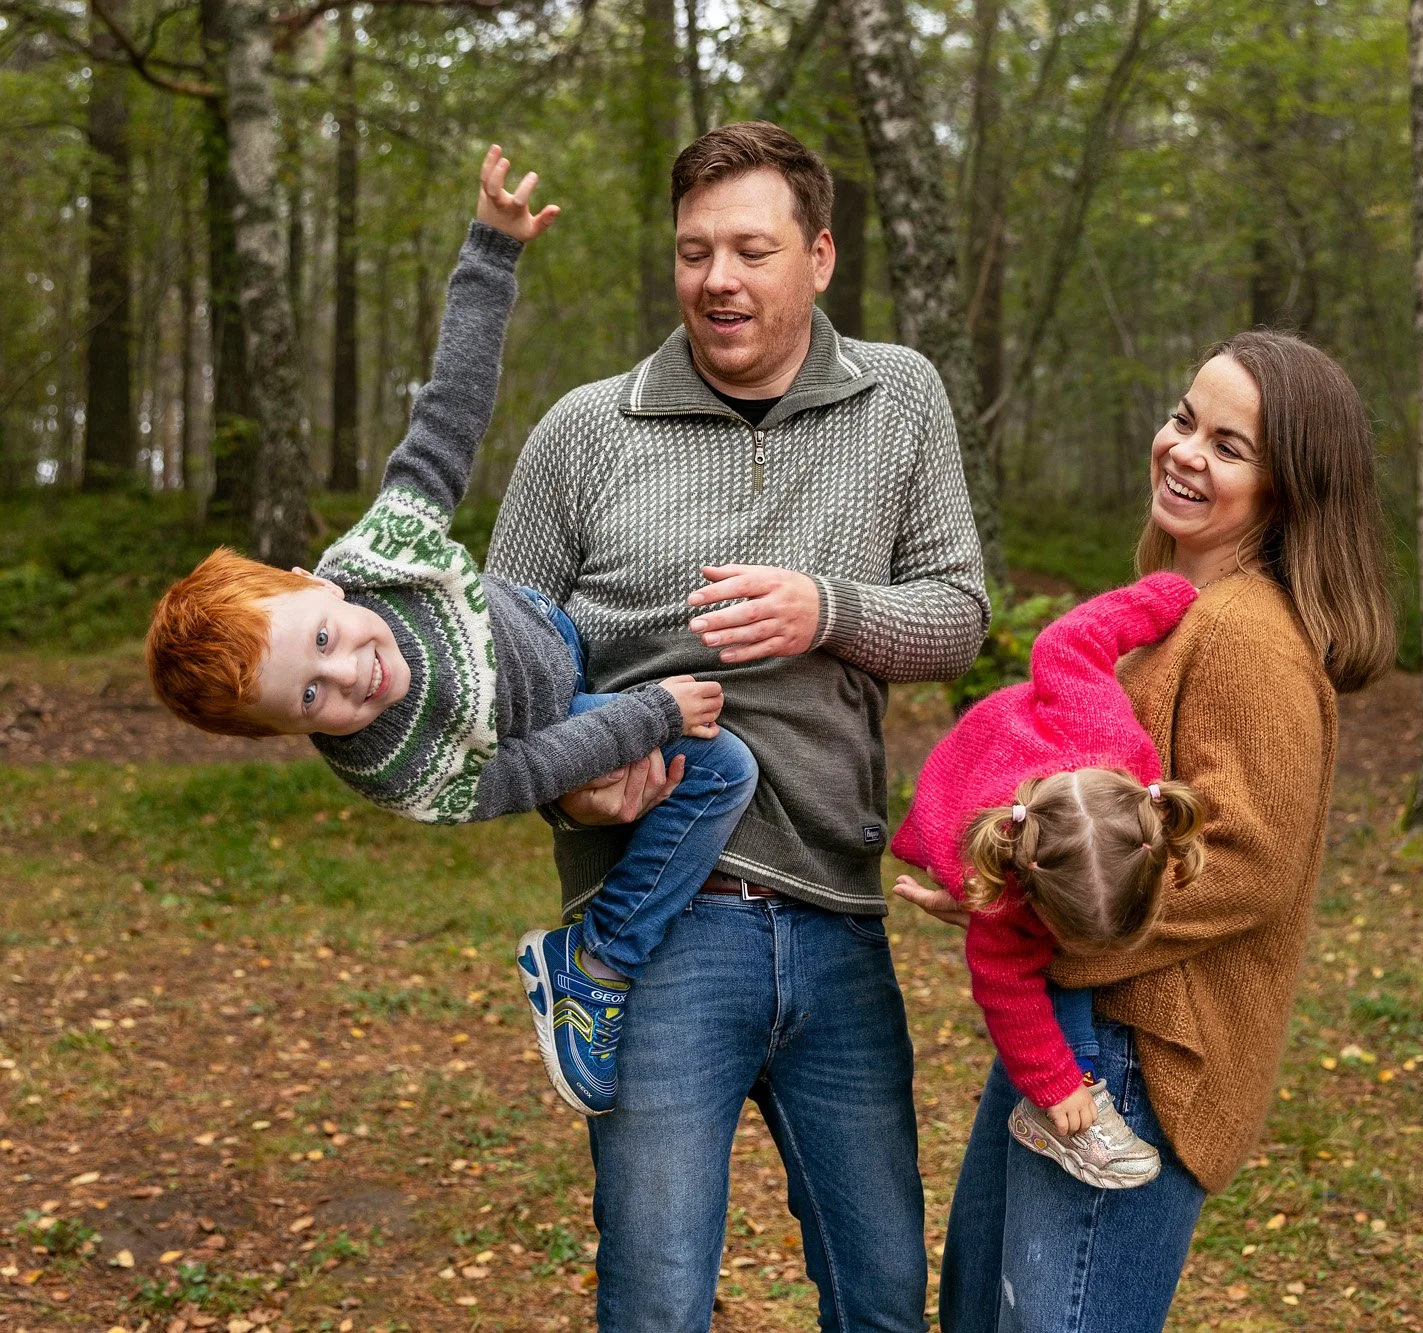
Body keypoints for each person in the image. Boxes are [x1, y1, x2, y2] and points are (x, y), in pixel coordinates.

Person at [484, 121, 988, 1332]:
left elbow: (958, 617)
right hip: (656, 935)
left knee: (876, 1296)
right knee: (655, 1301)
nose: (718, 279)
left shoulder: (898, 397)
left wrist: (832, 607)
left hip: (836, 913)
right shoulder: (584, 432)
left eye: (751, 250)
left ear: (816, 256)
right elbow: (495, 674)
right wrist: (566, 784)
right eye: (694, 251)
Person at [143, 148, 758, 1121]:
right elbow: (532, 765)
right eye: (311, 696)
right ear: (286, 731)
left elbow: (449, 413)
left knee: (685, 594)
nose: (349, 673)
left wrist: (492, 250)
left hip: (531, 621)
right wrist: (649, 716)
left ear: (316, 581)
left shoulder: (375, 555)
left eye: (325, 637)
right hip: (551, 713)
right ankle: (596, 959)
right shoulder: (393, 764)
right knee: (721, 764)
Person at [898, 330, 1397, 1332]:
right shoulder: (1184, 612)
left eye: (1227, 445)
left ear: (1287, 489)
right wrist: (1018, 864)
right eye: (1181, 419)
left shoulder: (1246, 634)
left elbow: (1249, 864)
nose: (1182, 450)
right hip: (1075, 1033)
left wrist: (1045, 904)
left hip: (1138, 1057)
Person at [889, 571, 1205, 1190]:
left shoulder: (1109, 729)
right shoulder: (1002, 890)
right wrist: (1053, 1083)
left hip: (1038, 773)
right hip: (961, 784)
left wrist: (1161, 599)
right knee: (1047, 976)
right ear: (1031, 895)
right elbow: (1006, 989)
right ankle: (1073, 1105)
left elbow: (1068, 641)